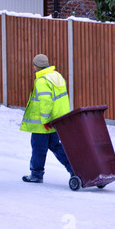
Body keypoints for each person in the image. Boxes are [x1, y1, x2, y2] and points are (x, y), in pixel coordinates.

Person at [20, 54, 73, 183]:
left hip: (44, 122)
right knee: (55, 145)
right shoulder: (57, 76)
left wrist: (45, 120)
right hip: (58, 120)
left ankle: (36, 175)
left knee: (38, 147)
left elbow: (46, 102)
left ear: (36, 66)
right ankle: (74, 168)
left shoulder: (42, 81)